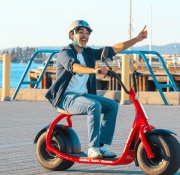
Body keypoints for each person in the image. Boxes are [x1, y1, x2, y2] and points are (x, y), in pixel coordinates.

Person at [45, 20, 147, 159]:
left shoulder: (88, 53)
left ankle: (100, 145)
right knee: (94, 106)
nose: (84, 35)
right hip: (66, 98)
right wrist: (94, 70)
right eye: (80, 32)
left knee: (112, 105)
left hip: (82, 96)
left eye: (87, 33)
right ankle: (93, 148)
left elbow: (114, 49)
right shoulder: (66, 52)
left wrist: (137, 39)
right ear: (72, 35)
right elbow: (74, 67)